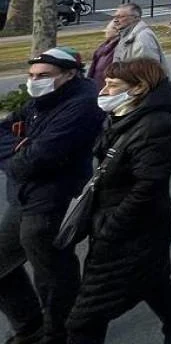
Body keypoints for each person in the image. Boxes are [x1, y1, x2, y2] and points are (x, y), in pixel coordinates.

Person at [64, 59, 171, 344]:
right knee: (153, 281)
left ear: (139, 88)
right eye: (107, 83)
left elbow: (148, 186)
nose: (105, 91)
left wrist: (113, 226)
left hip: (130, 228)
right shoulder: (126, 115)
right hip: (127, 223)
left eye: (114, 86)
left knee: (84, 318)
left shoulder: (154, 125)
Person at [0, 48, 104, 344]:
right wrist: (20, 150)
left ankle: (62, 332)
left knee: (53, 274)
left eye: (43, 76)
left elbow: (34, 160)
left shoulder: (81, 104)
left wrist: (21, 153)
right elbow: (5, 132)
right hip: (25, 196)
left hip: (54, 199)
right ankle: (30, 323)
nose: (35, 81)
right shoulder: (44, 98)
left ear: (69, 74)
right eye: (31, 75)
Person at [111, 4, 167, 69]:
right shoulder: (126, 34)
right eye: (115, 17)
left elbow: (147, 71)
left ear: (135, 18)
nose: (115, 20)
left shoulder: (143, 38)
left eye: (120, 17)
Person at [86, 19, 122, 88]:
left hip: (105, 87)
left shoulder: (118, 49)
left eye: (108, 29)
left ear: (117, 31)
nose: (105, 31)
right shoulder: (104, 46)